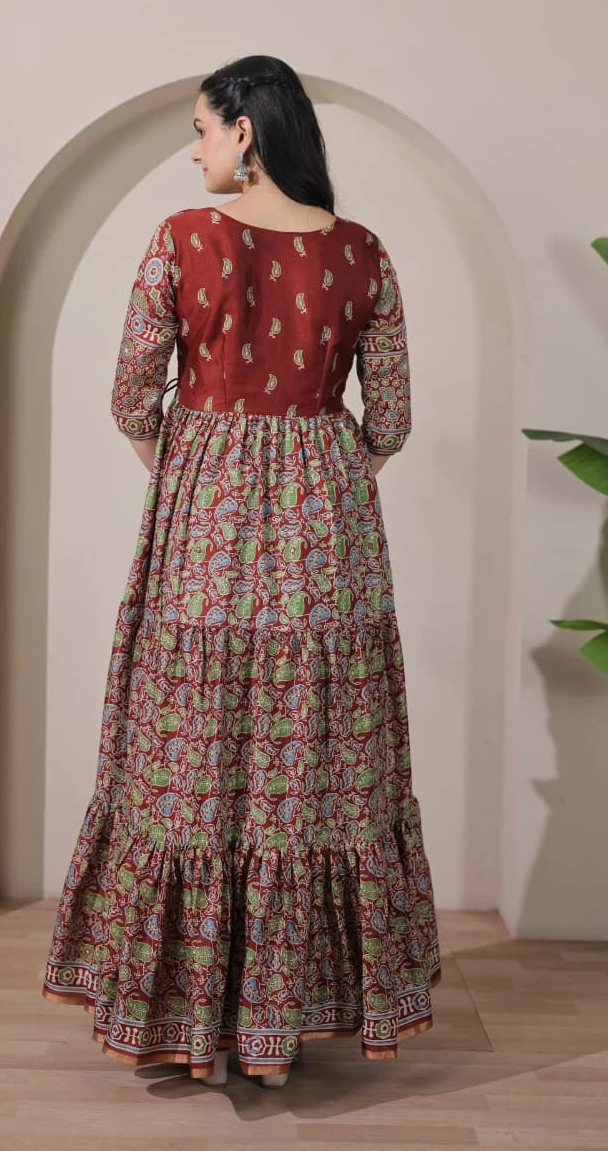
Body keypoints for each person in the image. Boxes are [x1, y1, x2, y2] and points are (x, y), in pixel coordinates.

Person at [41, 55, 442, 1089]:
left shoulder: (184, 238)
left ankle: (197, 1022)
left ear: (246, 133)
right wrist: (319, 475)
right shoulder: (364, 253)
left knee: (193, 757)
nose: (194, 147)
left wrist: (195, 466)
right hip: (330, 534)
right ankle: (283, 1028)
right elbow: (388, 421)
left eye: (202, 128)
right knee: (311, 764)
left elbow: (133, 397)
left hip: (205, 526)